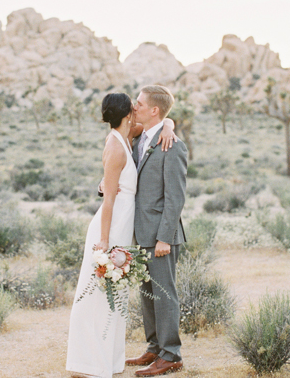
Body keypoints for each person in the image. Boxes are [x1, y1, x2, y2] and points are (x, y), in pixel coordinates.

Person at [66, 92, 176, 378]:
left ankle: (109, 359)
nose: (137, 107)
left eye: (140, 104)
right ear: (128, 113)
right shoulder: (117, 145)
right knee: (98, 293)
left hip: (129, 225)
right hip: (112, 226)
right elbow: (109, 200)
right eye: (134, 104)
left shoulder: (130, 135)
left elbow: (161, 119)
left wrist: (169, 125)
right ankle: (89, 361)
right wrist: (104, 240)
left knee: (116, 294)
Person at [125, 85, 187, 377]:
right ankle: (154, 348)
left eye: (138, 103)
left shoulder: (172, 145)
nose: (133, 107)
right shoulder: (142, 136)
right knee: (147, 293)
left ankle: (171, 355)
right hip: (141, 231)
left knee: (164, 294)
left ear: (154, 110)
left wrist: (165, 236)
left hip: (161, 234)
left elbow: (175, 196)